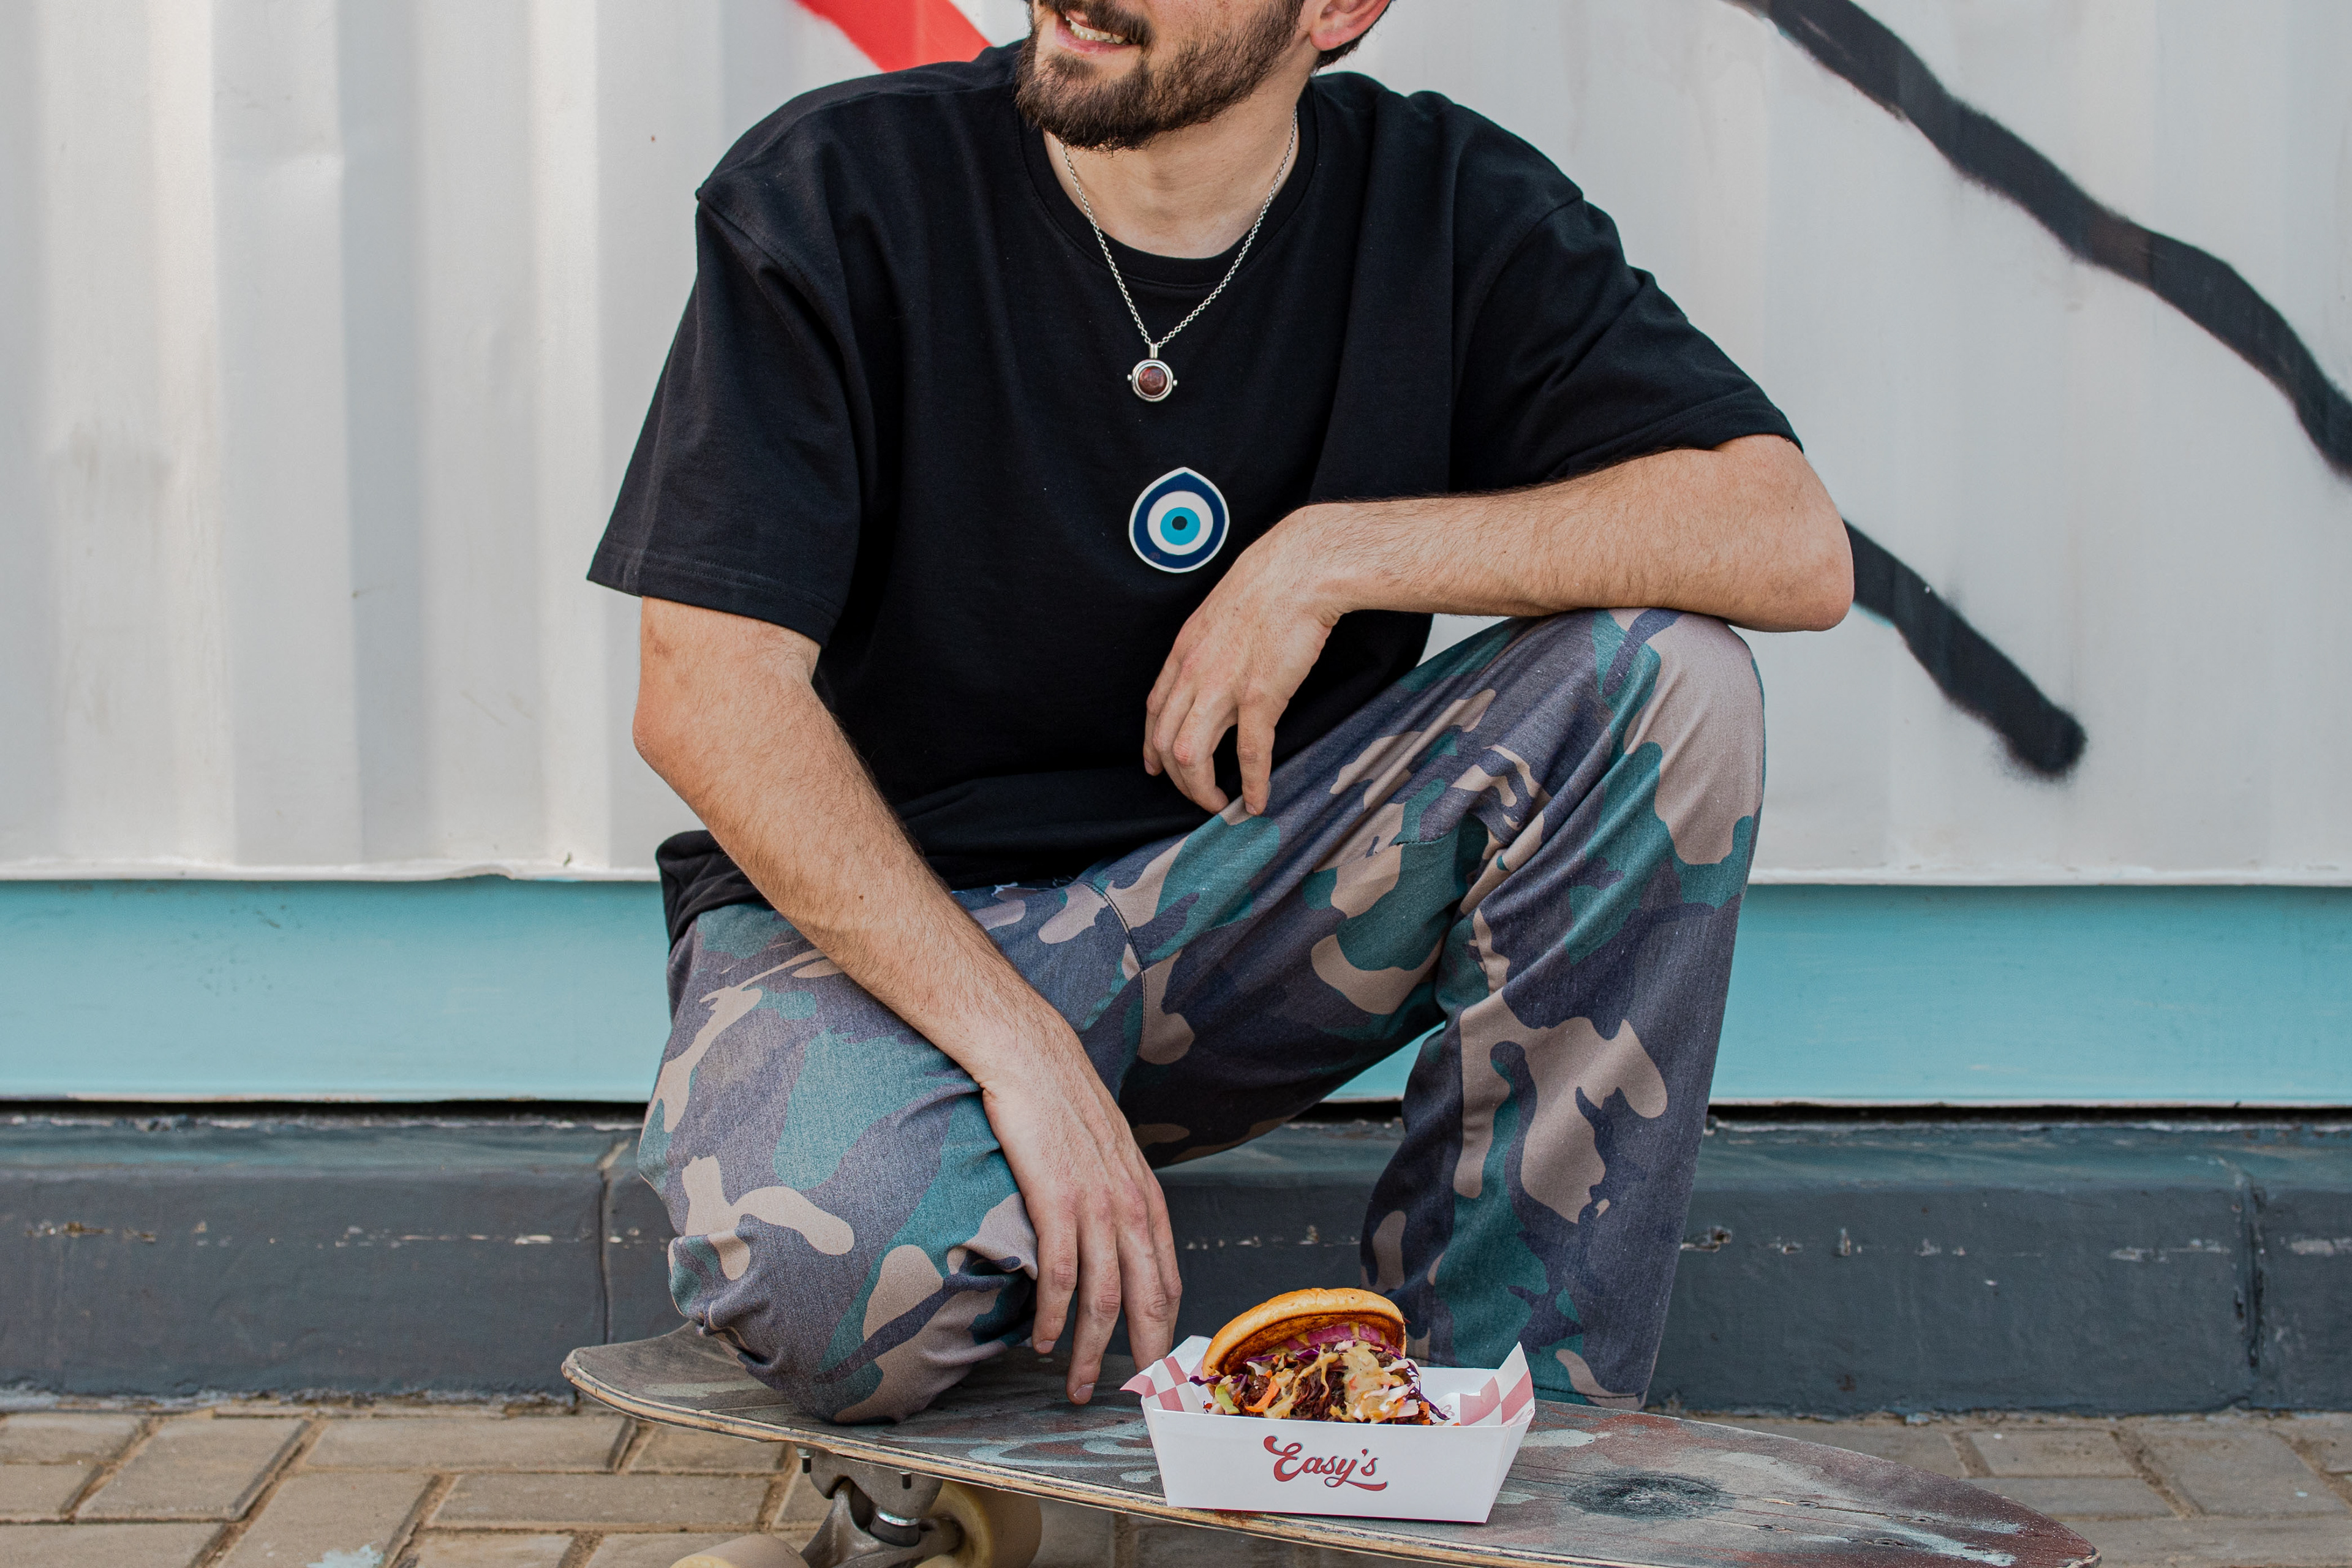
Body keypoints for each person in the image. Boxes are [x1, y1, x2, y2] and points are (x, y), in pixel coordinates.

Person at [589, 0, 1850, 1425]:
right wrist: (1019, 1045)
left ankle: (1496, 1411)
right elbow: (705, 691)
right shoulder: (835, 191)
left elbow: (1788, 540)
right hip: (871, 942)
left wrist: (1338, 553)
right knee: (827, 1283)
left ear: (1337, 9)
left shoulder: (1442, 205)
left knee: (1673, 682)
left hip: (1227, 917)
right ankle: (992, 1316)